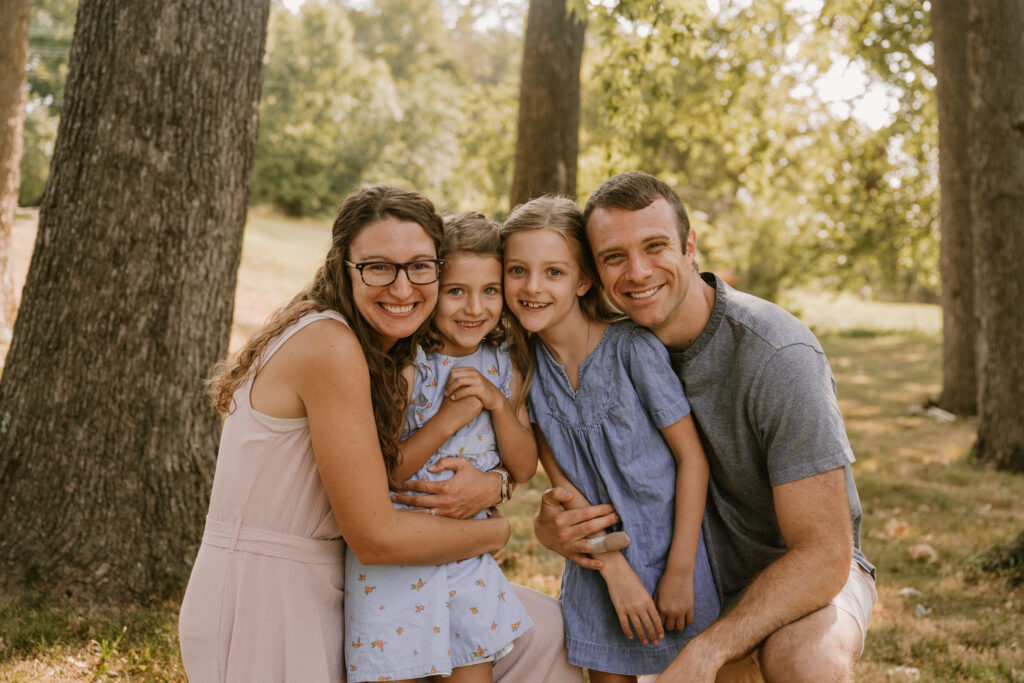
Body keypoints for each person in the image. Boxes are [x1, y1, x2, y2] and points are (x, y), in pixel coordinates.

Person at [178, 185, 582, 683]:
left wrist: (494, 483)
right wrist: (498, 531)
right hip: (270, 596)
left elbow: (497, 456)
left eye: (419, 267)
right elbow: (376, 536)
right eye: (378, 267)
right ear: (343, 267)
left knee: (549, 633)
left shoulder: (387, 349)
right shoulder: (330, 343)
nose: (402, 288)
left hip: (351, 577)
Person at [533, 172, 877, 683]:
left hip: (794, 581)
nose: (638, 272)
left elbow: (824, 554)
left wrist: (709, 650)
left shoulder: (778, 357)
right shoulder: (607, 352)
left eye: (655, 247)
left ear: (689, 246)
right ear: (595, 272)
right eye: (614, 257)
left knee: (805, 660)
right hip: (672, 587)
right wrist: (555, 528)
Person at [501, 196, 720, 682]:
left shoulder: (632, 350)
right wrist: (614, 570)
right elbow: (562, 488)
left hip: (672, 559)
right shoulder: (526, 369)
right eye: (517, 270)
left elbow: (693, 459)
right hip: (597, 568)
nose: (533, 286)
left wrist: (680, 571)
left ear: (583, 280)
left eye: (554, 272)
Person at [344, 212, 538, 683]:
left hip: (466, 558)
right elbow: (390, 472)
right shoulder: (410, 366)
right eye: (456, 291)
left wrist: (496, 404)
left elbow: (524, 467)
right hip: (400, 558)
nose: (475, 307)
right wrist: (448, 418)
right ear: (432, 289)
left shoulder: (504, 366)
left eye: (490, 290)